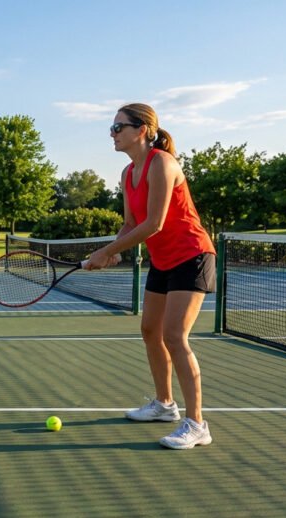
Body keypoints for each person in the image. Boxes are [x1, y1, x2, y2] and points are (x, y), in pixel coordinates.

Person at [86, 103, 217, 449]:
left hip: (192, 256)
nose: (113, 134)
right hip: (163, 260)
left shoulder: (162, 163)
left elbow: (154, 223)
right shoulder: (127, 175)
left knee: (174, 336)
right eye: (111, 129)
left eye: (119, 128)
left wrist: (107, 252)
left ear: (142, 130)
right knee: (150, 331)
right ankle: (164, 405)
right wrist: (113, 248)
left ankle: (197, 424)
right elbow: (131, 225)